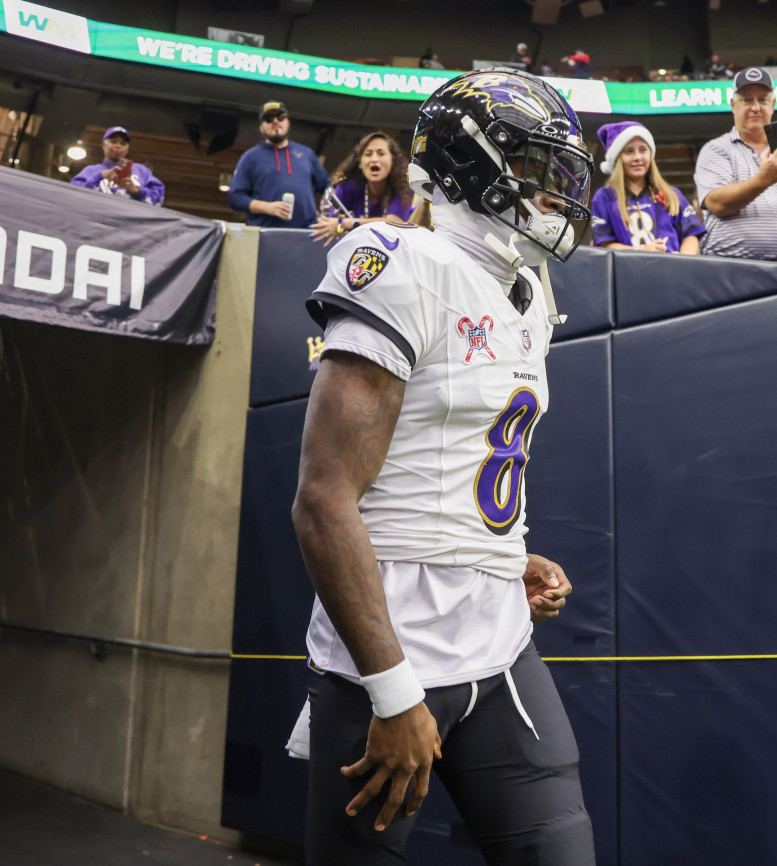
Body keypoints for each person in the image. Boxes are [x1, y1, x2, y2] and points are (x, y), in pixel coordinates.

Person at [291, 68, 596, 865]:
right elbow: (325, 499)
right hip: (390, 653)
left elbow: (446, 463)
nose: (555, 194)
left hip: (497, 636)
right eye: (534, 169)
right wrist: (393, 691)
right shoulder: (403, 261)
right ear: (473, 166)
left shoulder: (525, 288)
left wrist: (503, 555)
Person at [693, 67, 777, 262]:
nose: (756, 107)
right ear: (733, 105)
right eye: (747, 100)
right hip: (726, 266)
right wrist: (764, 179)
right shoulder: (716, 150)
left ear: (773, 105)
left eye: (762, 100)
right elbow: (717, 204)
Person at [590, 121, 705, 254]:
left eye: (643, 150)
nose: (638, 157)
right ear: (616, 158)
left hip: (672, 272)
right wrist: (643, 250)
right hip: (627, 272)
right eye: (629, 151)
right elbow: (603, 245)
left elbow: (691, 234)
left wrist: (683, 261)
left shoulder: (672, 194)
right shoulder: (604, 197)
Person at [228, 100, 331, 228]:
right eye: (268, 119)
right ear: (261, 127)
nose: (275, 121)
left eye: (280, 117)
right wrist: (267, 207)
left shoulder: (307, 154)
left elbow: (328, 188)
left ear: (288, 122)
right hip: (265, 234)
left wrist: (330, 216)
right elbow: (235, 197)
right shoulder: (250, 157)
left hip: (306, 233)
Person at [309, 132, 415, 246]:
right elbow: (332, 225)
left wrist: (348, 223)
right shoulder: (346, 186)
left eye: (381, 153)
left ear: (392, 161)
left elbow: (394, 224)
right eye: (368, 154)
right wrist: (337, 224)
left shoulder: (403, 187)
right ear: (360, 163)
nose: (374, 159)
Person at [69, 126, 165, 205]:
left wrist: (136, 190)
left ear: (127, 149)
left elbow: (158, 201)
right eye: (114, 141)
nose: (118, 146)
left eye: (123, 143)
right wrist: (100, 177)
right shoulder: (91, 171)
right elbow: (72, 195)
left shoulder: (141, 171)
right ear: (104, 145)